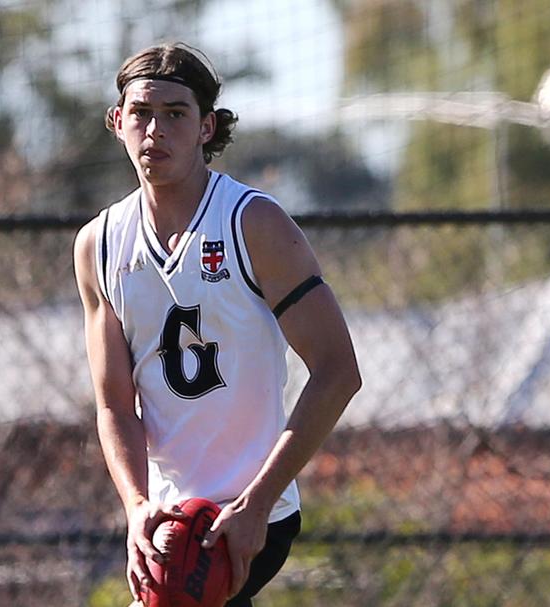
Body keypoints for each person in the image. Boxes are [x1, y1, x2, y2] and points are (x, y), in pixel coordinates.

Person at [73, 42, 361, 606]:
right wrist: (136, 508)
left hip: (254, 511)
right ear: (117, 122)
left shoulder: (253, 222)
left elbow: (338, 371)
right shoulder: (99, 245)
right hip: (168, 518)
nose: (156, 129)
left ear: (207, 127)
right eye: (142, 113)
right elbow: (113, 405)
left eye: (176, 114)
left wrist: (257, 503)